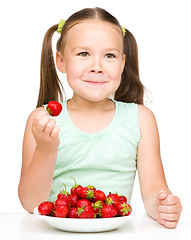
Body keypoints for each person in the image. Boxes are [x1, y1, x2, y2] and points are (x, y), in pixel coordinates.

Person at [18, 7, 182, 228]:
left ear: (123, 63)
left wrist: (163, 206)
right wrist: (46, 149)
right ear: (61, 61)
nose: (97, 67)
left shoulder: (141, 119)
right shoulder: (42, 119)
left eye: (109, 56)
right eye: (84, 54)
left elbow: (154, 190)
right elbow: (31, 203)